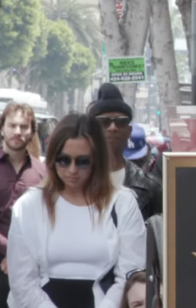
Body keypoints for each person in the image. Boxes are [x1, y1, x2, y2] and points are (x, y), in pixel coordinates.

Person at [6, 114, 146, 308]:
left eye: (82, 161)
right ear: (53, 158)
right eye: (63, 160)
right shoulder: (29, 205)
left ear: (97, 161)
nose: (72, 170)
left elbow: (130, 273)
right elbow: (22, 280)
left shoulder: (122, 203)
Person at [89, 83, 162, 221]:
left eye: (121, 122)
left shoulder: (151, 188)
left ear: (129, 131)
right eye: (104, 122)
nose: (113, 127)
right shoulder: (75, 181)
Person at [0, 103, 47, 308]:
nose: (17, 131)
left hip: (34, 267)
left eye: (24, 126)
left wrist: (21, 255)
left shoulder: (43, 173)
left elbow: (48, 221)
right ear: (2, 129)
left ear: (32, 132)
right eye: (12, 125)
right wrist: (11, 251)